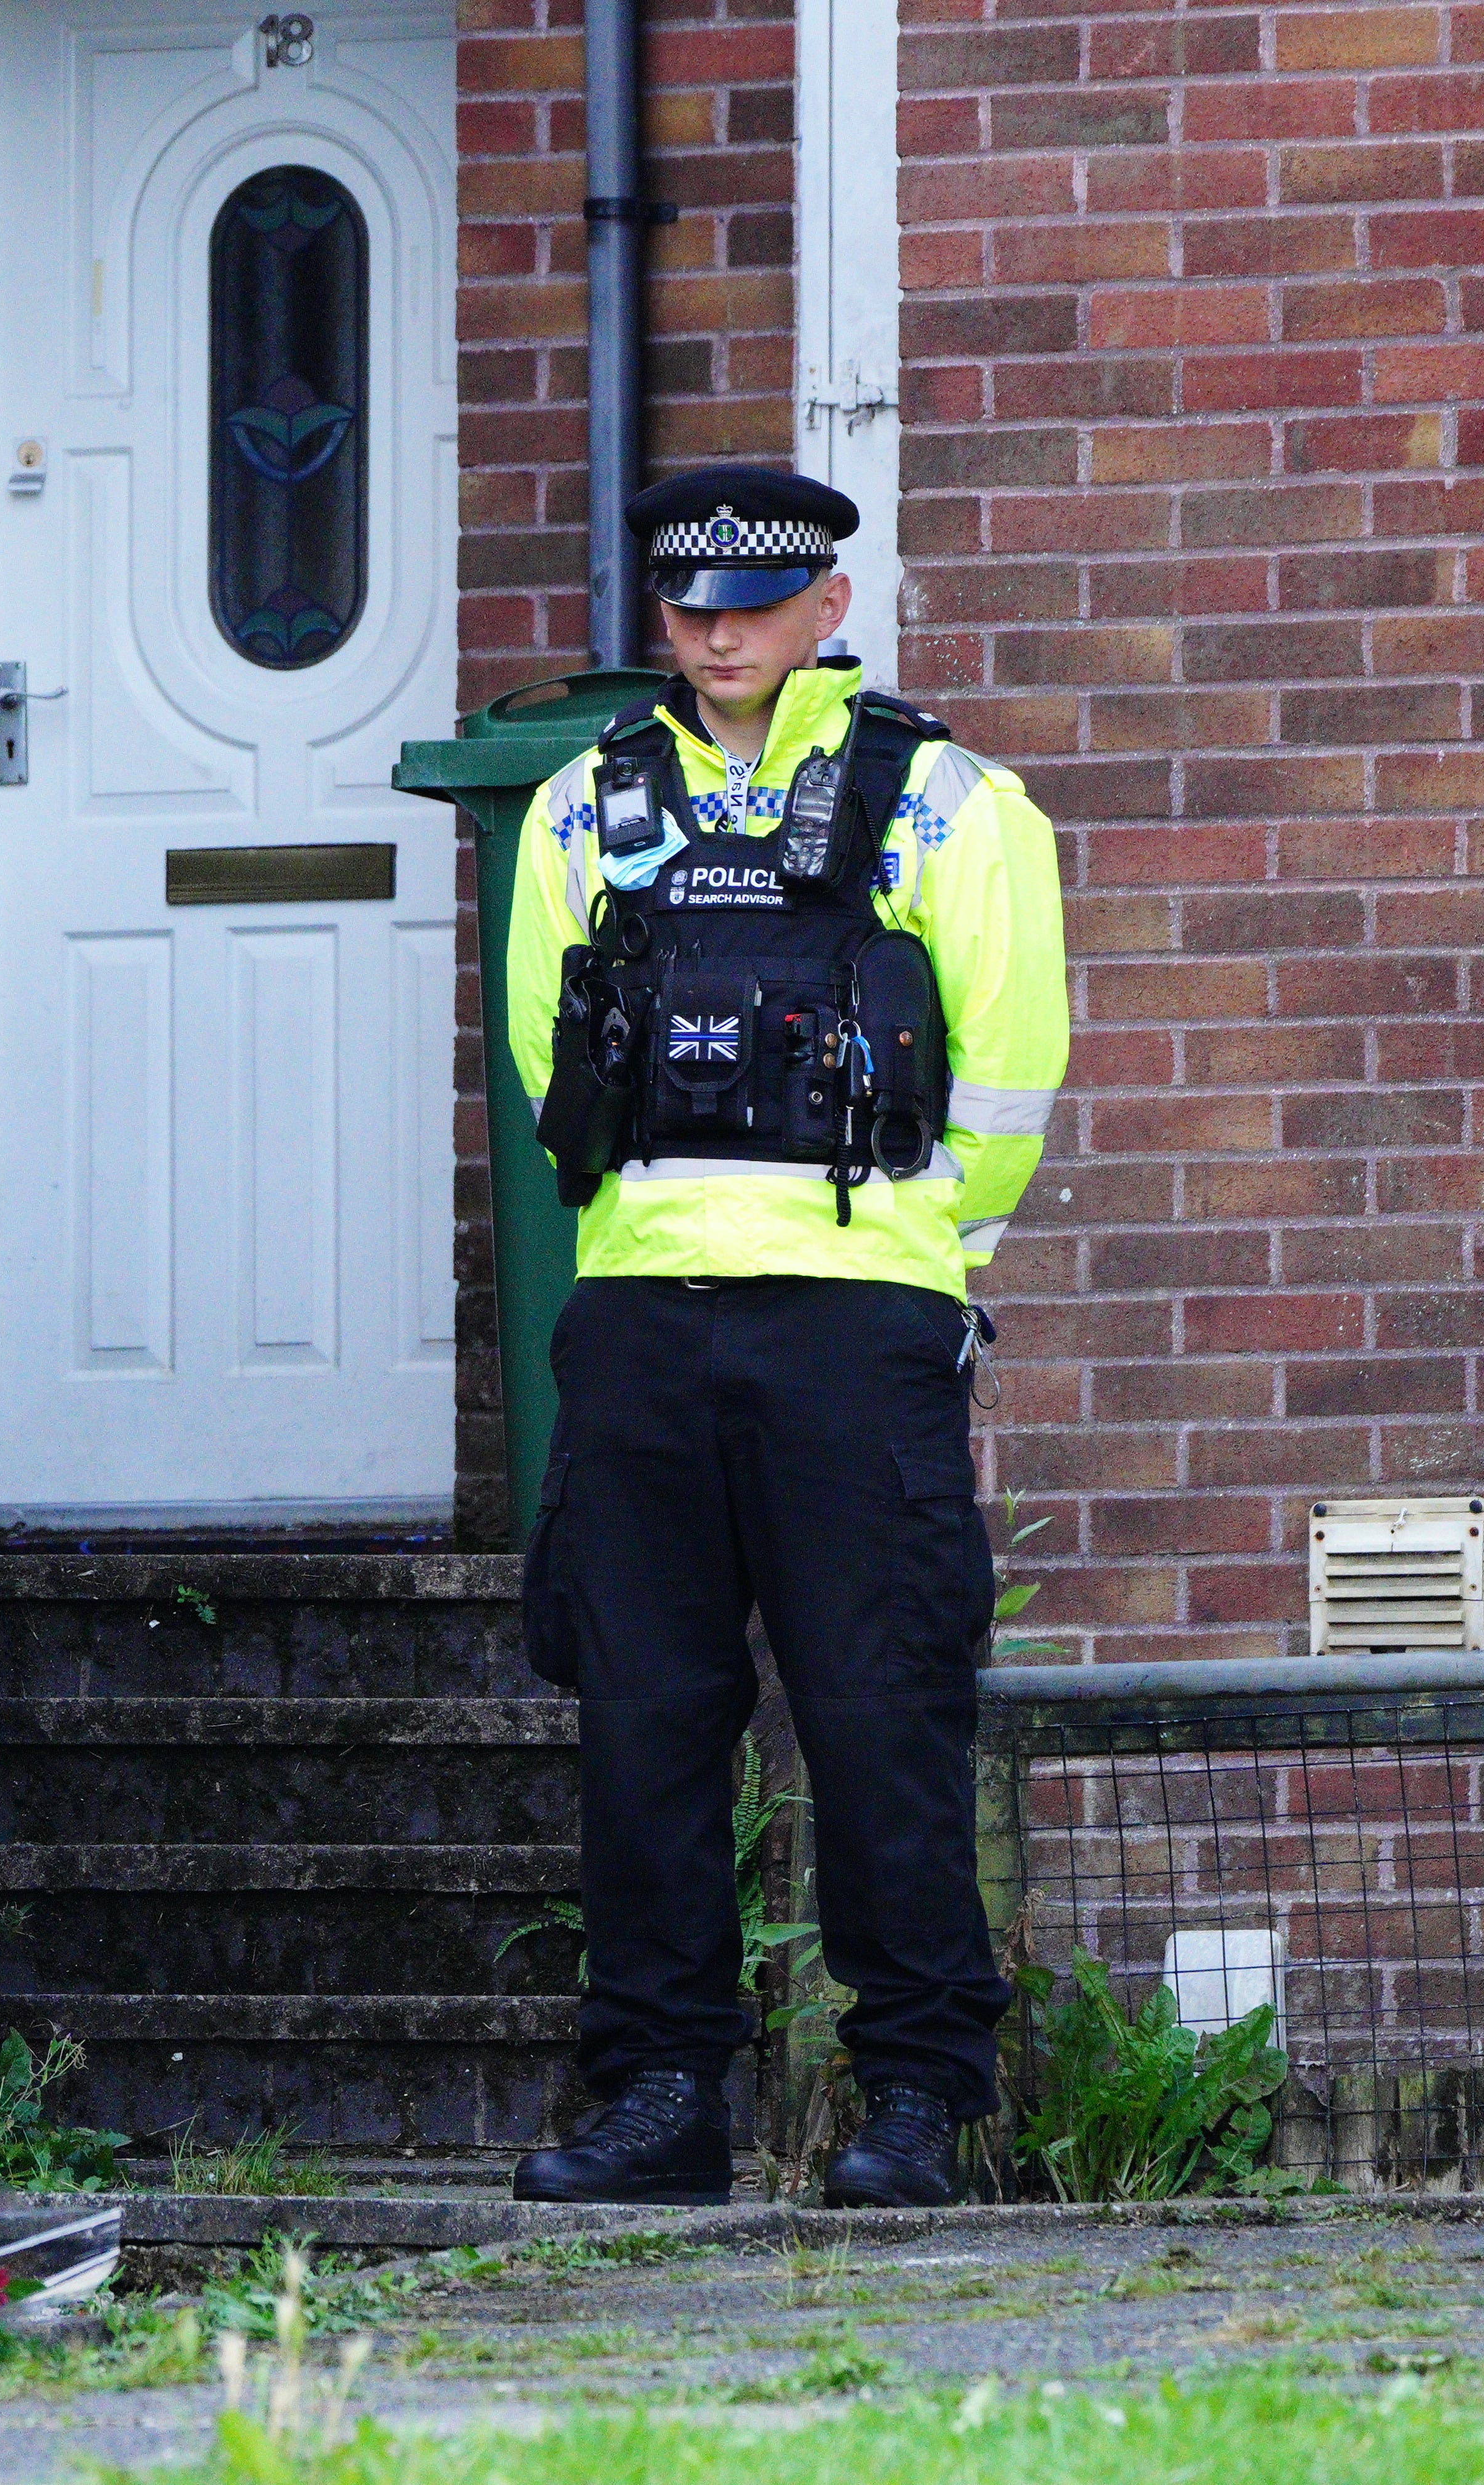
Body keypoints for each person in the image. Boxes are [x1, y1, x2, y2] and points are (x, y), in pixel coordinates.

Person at [497, 467, 1068, 2210]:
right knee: (644, 1722)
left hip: (857, 1322)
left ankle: (913, 2099)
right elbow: (549, 1062)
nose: (720, 630)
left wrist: (917, 1251)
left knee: (883, 1709)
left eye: (756, 598)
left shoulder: (952, 803)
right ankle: (662, 2099)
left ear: (829, 604)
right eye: (689, 605)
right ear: (660, 616)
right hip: (645, 1318)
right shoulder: (580, 806)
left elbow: (1009, 1068)